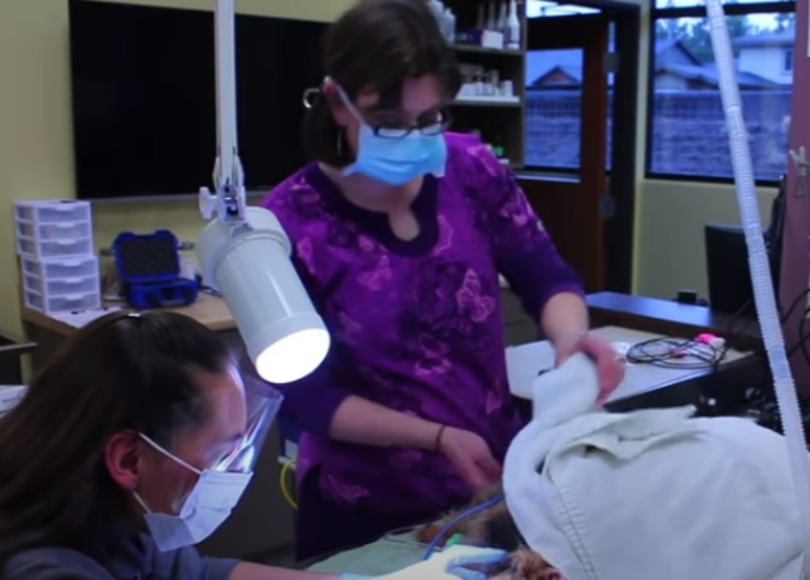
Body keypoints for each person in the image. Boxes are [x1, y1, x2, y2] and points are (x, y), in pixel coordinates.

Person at [262, 0, 626, 561]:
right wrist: (435, 437)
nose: (415, 137)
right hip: (362, 508)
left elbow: (544, 272)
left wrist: (571, 340)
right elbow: (310, 397)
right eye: (391, 123)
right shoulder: (291, 220)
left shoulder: (472, 170)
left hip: (491, 493)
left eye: (430, 118)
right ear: (337, 103)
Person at [0, 310, 505, 580]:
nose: (234, 472)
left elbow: (199, 575)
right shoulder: (41, 567)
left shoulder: (111, 513)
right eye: (223, 452)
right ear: (128, 459)